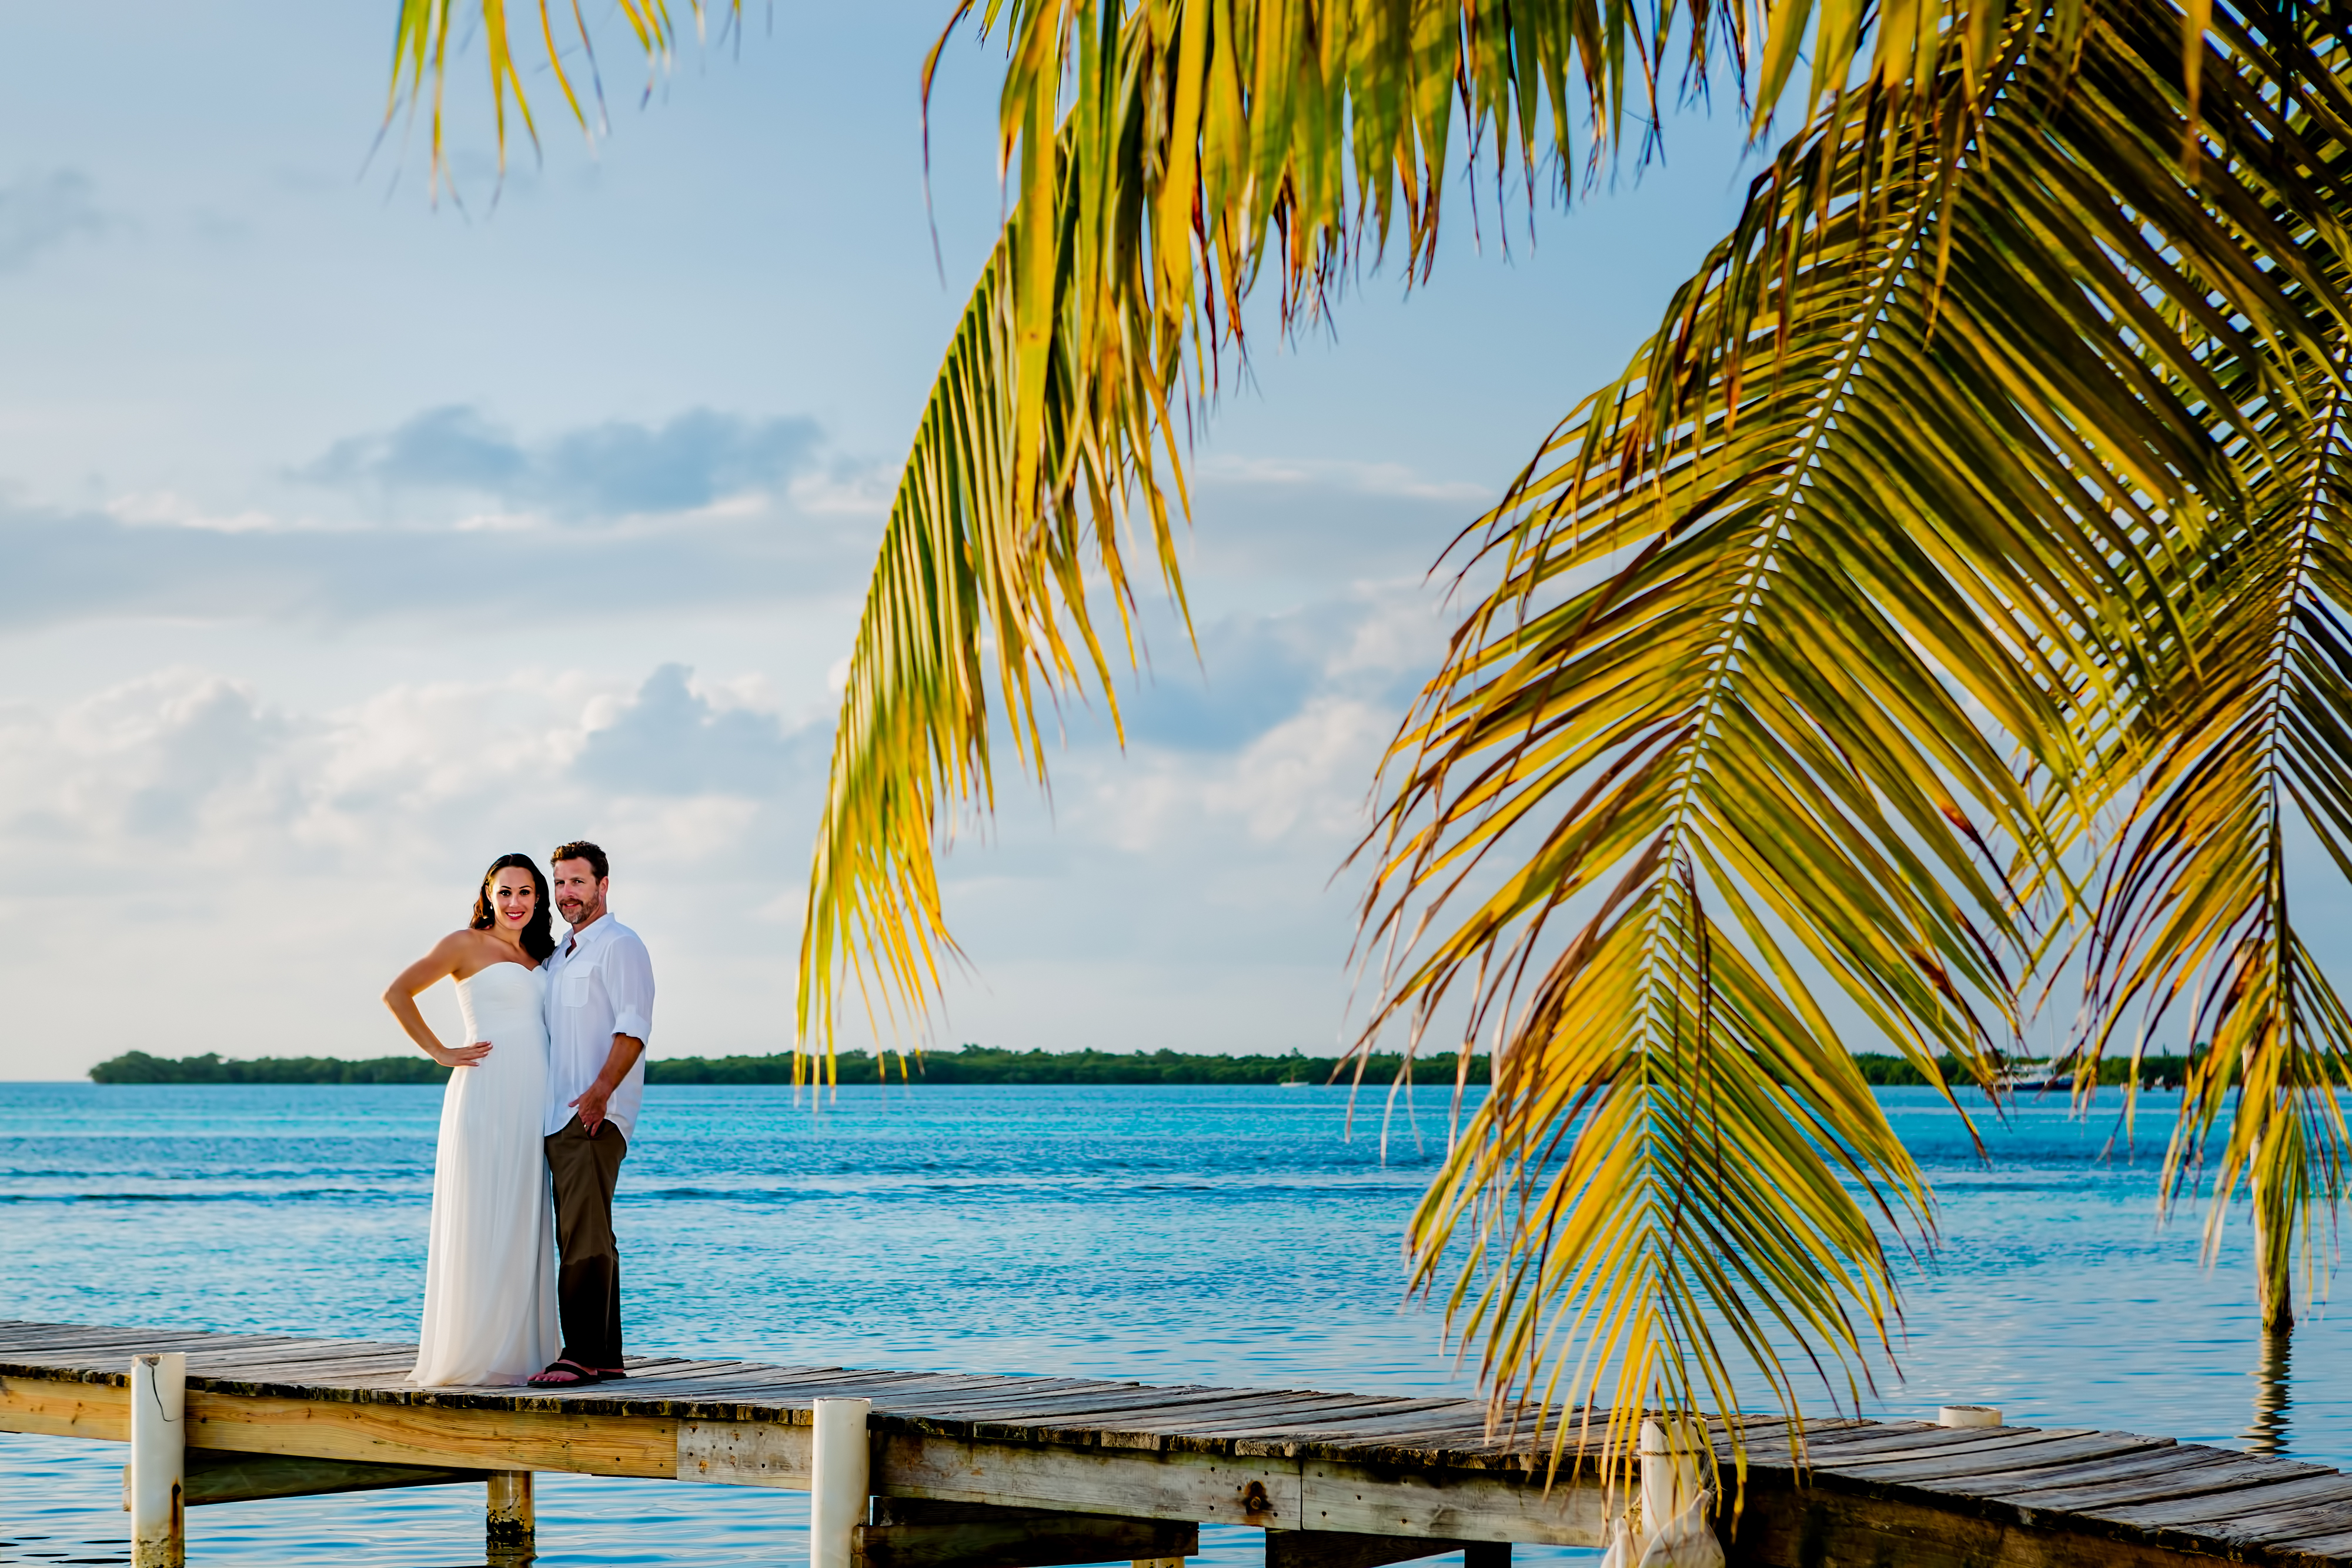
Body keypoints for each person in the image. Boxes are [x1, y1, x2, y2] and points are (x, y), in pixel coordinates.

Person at [382, 853, 562, 1387]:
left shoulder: (542, 953)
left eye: (526, 892)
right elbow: (397, 993)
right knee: (482, 1210)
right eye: (505, 892)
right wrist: (439, 1050)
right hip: (484, 1091)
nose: (515, 903)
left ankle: (519, 1351)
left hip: (535, 1097)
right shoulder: (464, 943)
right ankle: (472, 1350)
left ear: (538, 898)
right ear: (488, 894)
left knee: (523, 1215)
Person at [527, 841, 654, 1388]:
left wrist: (601, 1092)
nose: (566, 894)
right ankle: (605, 1355)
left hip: (593, 1113)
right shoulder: (563, 954)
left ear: (604, 885)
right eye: (559, 883)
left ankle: (578, 1353)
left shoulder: (620, 946)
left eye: (577, 882)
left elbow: (633, 1029)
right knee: (591, 1230)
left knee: (582, 1234)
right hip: (559, 1114)